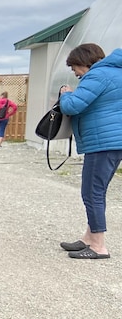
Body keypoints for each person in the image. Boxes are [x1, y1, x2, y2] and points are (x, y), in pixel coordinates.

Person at [57, 43, 122, 260]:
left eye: (75, 67)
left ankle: (97, 246)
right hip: (114, 142)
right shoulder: (116, 73)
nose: (75, 72)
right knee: (98, 191)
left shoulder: (97, 76)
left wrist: (65, 94)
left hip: (102, 142)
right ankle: (88, 237)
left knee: (92, 192)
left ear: (85, 62)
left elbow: (72, 105)